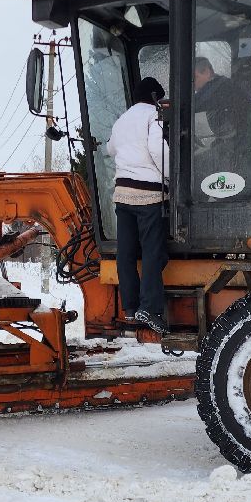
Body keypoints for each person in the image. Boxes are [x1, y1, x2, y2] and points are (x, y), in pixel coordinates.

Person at [106, 75, 168, 334]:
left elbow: (111, 149)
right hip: (149, 194)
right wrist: (170, 177)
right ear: (155, 97)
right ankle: (151, 309)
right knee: (153, 253)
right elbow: (157, 148)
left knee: (126, 254)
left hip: (123, 193)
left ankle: (130, 306)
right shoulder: (152, 115)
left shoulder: (122, 120)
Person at [192, 56, 244, 140]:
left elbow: (193, 104)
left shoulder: (220, 88)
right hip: (231, 138)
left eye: (195, 77)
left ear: (207, 72)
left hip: (240, 141)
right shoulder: (218, 84)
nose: (192, 82)